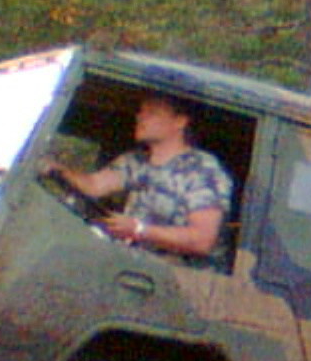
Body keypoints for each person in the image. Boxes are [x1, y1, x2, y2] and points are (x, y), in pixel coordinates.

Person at [42, 95, 233, 270]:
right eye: (141, 111)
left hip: (183, 283)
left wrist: (139, 230)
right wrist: (56, 169)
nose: (140, 117)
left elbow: (202, 240)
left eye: (152, 112)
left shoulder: (203, 170)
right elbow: (94, 186)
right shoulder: (135, 161)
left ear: (180, 121)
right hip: (134, 269)